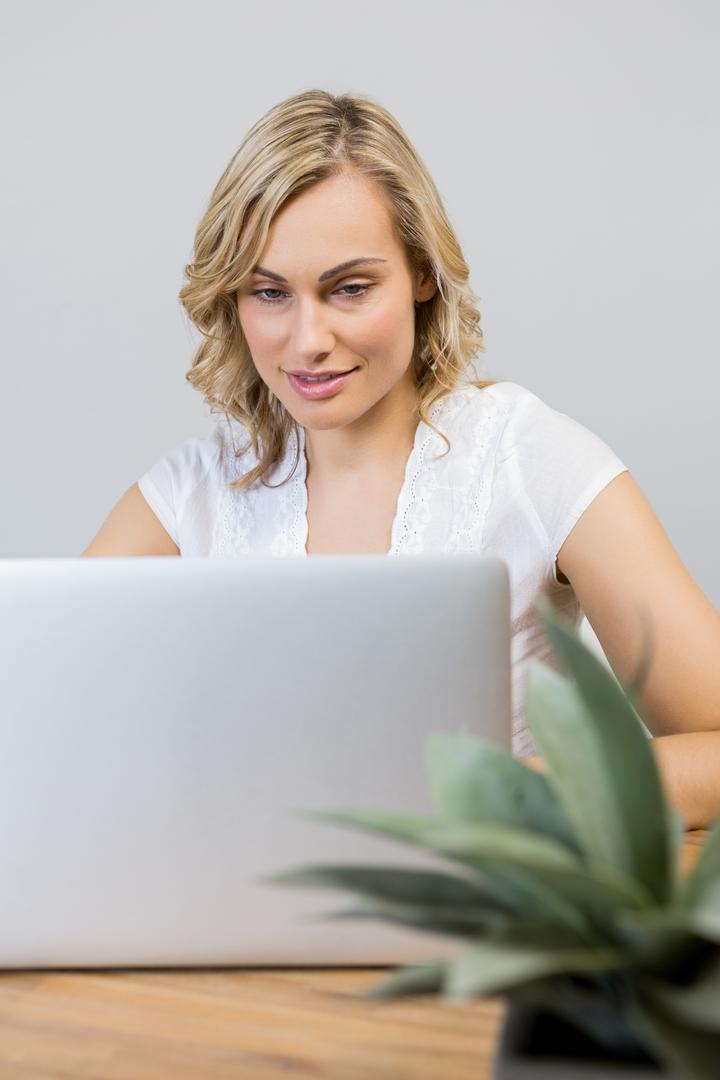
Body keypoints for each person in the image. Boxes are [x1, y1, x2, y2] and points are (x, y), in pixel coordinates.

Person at [83, 90, 720, 824]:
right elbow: (40, 717)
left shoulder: (530, 460)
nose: (307, 340)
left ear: (422, 272)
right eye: (269, 293)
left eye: (349, 288)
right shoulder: (191, 493)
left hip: (473, 920)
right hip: (240, 921)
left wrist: (520, 795)